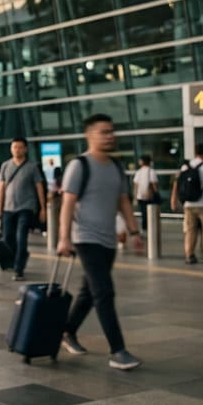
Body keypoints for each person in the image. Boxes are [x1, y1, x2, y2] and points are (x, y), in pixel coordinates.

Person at [58, 114, 142, 371]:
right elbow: (68, 203)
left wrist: (134, 231)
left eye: (111, 131)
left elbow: (124, 200)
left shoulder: (116, 167)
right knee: (104, 292)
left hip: (108, 240)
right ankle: (118, 350)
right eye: (104, 132)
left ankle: (67, 331)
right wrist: (64, 238)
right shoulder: (79, 165)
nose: (110, 136)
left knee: (89, 292)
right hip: (86, 238)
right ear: (89, 135)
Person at [0, 138, 46, 281]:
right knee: (8, 238)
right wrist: (0, 208)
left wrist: (43, 208)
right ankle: (20, 256)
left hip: (26, 208)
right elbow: (2, 187)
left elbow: (39, 188)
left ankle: (19, 269)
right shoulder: (5, 165)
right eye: (14, 147)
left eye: (20, 147)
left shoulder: (32, 167)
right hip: (8, 208)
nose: (17, 149)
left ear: (25, 149)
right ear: (11, 149)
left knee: (21, 238)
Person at [171, 143, 203, 264]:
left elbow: (176, 185)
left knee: (190, 231)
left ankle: (189, 255)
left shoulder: (185, 166)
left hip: (188, 205)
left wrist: (174, 200)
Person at [132, 154, 158, 233]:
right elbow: (154, 185)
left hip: (140, 196)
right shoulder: (152, 171)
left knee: (143, 213)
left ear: (143, 161)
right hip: (150, 196)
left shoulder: (138, 172)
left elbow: (136, 185)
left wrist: (135, 196)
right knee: (151, 213)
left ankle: (144, 228)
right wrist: (156, 193)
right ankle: (150, 228)